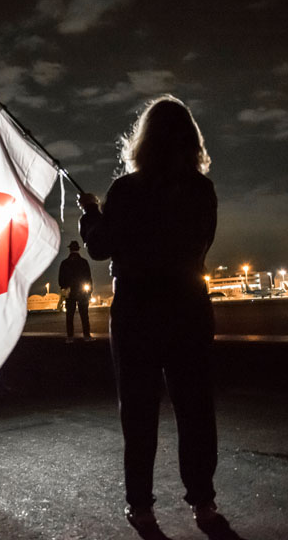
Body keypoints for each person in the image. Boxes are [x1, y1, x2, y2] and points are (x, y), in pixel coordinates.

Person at [79, 96, 239, 540]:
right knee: (195, 409)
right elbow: (200, 244)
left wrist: (90, 214)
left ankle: (142, 507)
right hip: (188, 306)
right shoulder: (201, 191)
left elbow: (100, 247)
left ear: (142, 140)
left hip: (136, 313)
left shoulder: (127, 191)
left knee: (139, 412)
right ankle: (203, 502)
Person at [58, 240, 93, 342]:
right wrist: (89, 292)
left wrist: (65, 288)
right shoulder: (84, 262)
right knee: (84, 315)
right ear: (78, 249)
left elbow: (61, 280)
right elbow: (89, 278)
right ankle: (87, 336)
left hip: (70, 292)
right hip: (82, 292)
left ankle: (70, 337)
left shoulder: (64, 263)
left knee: (69, 315)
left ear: (70, 249)